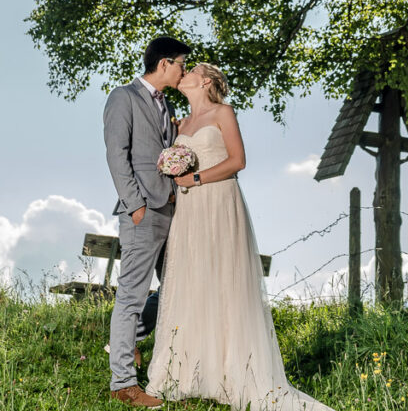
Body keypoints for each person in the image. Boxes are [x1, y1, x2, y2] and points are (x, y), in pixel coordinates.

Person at [146, 62, 334, 411]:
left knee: (224, 280)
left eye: (188, 71)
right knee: (192, 280)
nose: (181, 74)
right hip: (189, 210)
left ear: (204, 81)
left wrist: (198, 179)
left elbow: (238, 161)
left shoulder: (223, 113)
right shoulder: (179, 124)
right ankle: (189, 371)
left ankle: (234, 371)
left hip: (219, 201)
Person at [103, 35, 190, 408]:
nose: (184, 70)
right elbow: (116, 154)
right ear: (165, 63)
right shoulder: (123, 97)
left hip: (172, 209)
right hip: (141, 211)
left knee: (177, 285)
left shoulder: (165, 103)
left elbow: (167, 149)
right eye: (182, 63)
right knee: (131, 295)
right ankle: (123, 382)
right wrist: (135, 204)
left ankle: (137, 336)